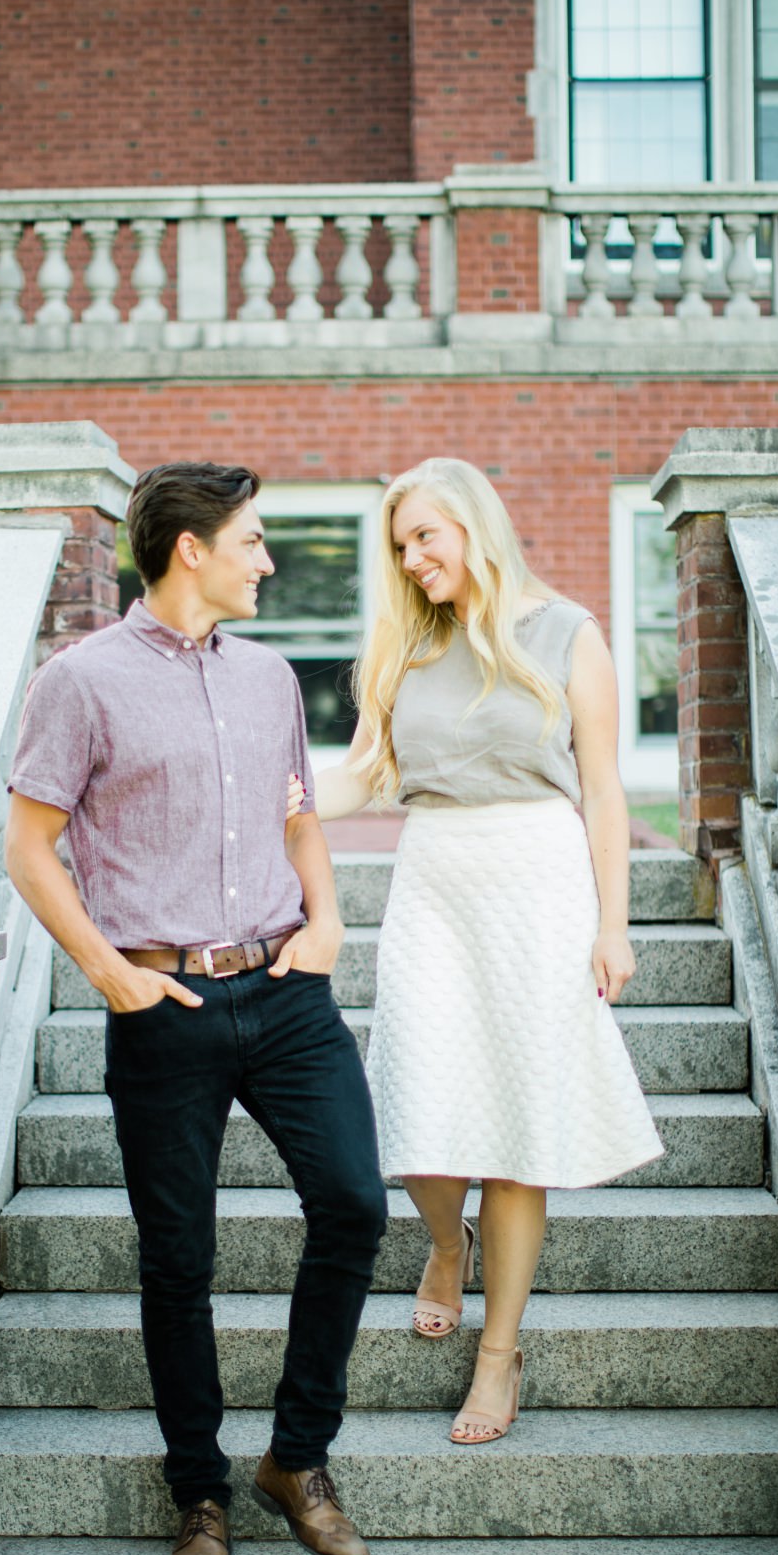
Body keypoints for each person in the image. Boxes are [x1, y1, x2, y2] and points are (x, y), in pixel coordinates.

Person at [4, 461, 388, 1555]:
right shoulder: (80, 682)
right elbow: (31, 846)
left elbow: (299, 816)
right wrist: (106, 969)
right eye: (256, 541)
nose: (268, 560)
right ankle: (199, 1493)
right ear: (192, 549)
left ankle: (296, 1457)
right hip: (162, 1005)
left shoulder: (271, 678)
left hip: (285, 989)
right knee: (180, 1261)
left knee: (356, 1203)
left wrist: (327, 921)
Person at [302, 457, 661, 1445]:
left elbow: (604, 791)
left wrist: (613, 922)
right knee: (415, 1103)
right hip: (436, 881)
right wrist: (273, 793)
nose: (411, 560)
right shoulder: (401, 643)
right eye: (399, 545)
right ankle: (444, 1243)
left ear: (473, 526)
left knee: (515, 1125)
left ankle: (498, 1352)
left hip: (538, 879)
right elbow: (365, 773)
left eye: (425, 537)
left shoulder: (568, 632)